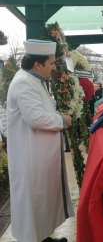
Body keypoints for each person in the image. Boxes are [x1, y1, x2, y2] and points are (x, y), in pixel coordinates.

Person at [7, 39, 74, 242]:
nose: (54, 68)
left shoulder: (32, 79)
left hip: (37, 155)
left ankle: (44, 238)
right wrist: (63, 120)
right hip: (30, 158)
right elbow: (35, 118)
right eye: (51, 63)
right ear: (38, 64)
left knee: (42, 203)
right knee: (34, 203)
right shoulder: (24, 83)